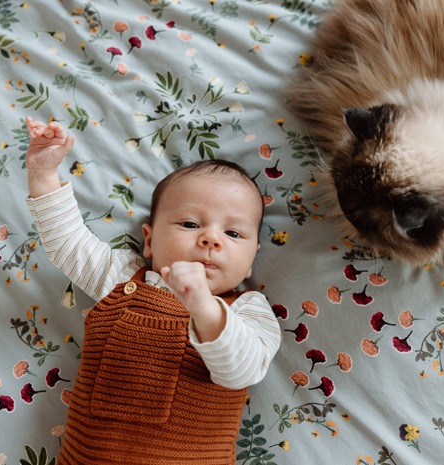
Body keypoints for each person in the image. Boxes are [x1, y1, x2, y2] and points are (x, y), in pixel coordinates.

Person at [24, 116, 281, 465]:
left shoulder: (247, 311)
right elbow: (67, 243)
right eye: (190, 224)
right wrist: (43, 176)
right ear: (149, 241)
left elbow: (242, 370)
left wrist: (204, 307)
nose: (211, 239)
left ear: (251, 262)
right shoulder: (124, 277)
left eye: (234, 234)